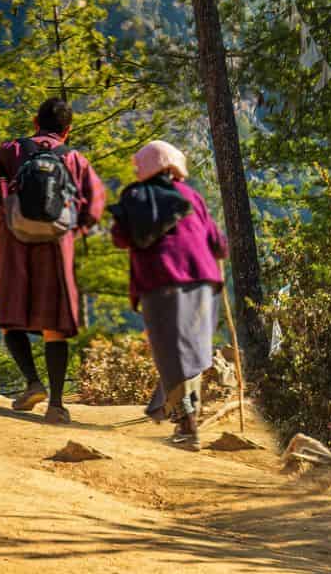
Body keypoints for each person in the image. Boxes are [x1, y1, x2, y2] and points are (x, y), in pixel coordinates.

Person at [0, 97, 106, 424]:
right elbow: (95, 205)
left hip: (14, 241)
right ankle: (57, 405)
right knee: (54, 322)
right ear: (68, 130)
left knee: (11, 314)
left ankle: (33, 383)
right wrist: (72, 232)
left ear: (35, 122)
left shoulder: (11, 151)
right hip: (56, 247)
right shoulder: (74, 159)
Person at [111, 140, 226, 448]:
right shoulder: (192, 197)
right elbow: (218, 242)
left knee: (170, 356)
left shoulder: (135, 197)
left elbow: (119, 238)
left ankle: (187, 426)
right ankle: (188, 417)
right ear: (175, 166)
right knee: (192, 351)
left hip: (159, 282)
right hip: (204, 282)